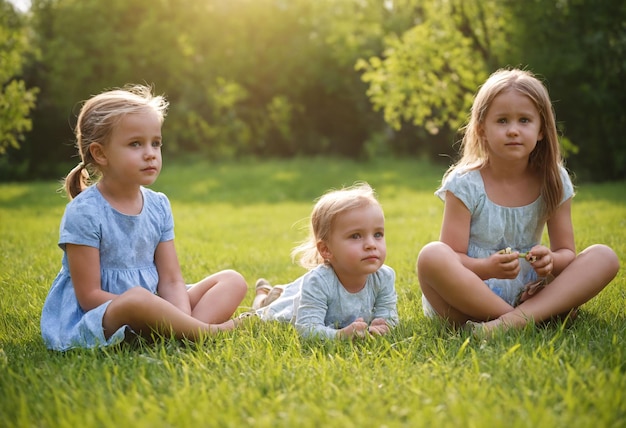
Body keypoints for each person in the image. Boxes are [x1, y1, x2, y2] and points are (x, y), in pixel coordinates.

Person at [41, 85, 248, 351]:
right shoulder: (85, 212)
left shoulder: (158, 205)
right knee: (137, 299)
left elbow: (172, 280)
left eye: (156, 143)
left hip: (153, 303)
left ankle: (183, 332)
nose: (150, 152)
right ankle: (207, 332)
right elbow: (89, 297)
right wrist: (149, 309)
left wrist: (171, 314)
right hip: (103, 315)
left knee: (232, 280)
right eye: (135, 143)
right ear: (100, 153)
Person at [416, 68, 619, 336]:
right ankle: (528, 319)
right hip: (470, 295)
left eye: (524, 120)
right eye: (502, 121)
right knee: (431, 255)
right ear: (482, 129)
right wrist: (486, 267)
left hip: (532, 292)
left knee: (604, 256)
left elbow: (566, 254)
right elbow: (452, 256)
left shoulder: (553, 179)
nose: (513, 130)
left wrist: (550, 261)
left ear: (541, 131)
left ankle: (510, 324)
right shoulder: (465, 183)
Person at [248, 182, 398, 339]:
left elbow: (388, 316)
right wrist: (340, 335)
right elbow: (307, 329)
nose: (371, 245)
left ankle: (269, 292)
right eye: (355, 236)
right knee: (264, 311)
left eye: (378, 234)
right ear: (326, 249)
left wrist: (382, 326)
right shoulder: (318, 282)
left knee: (280, 296)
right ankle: (262, 295)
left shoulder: (384, 277)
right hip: (290, 307)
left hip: (307, 294)